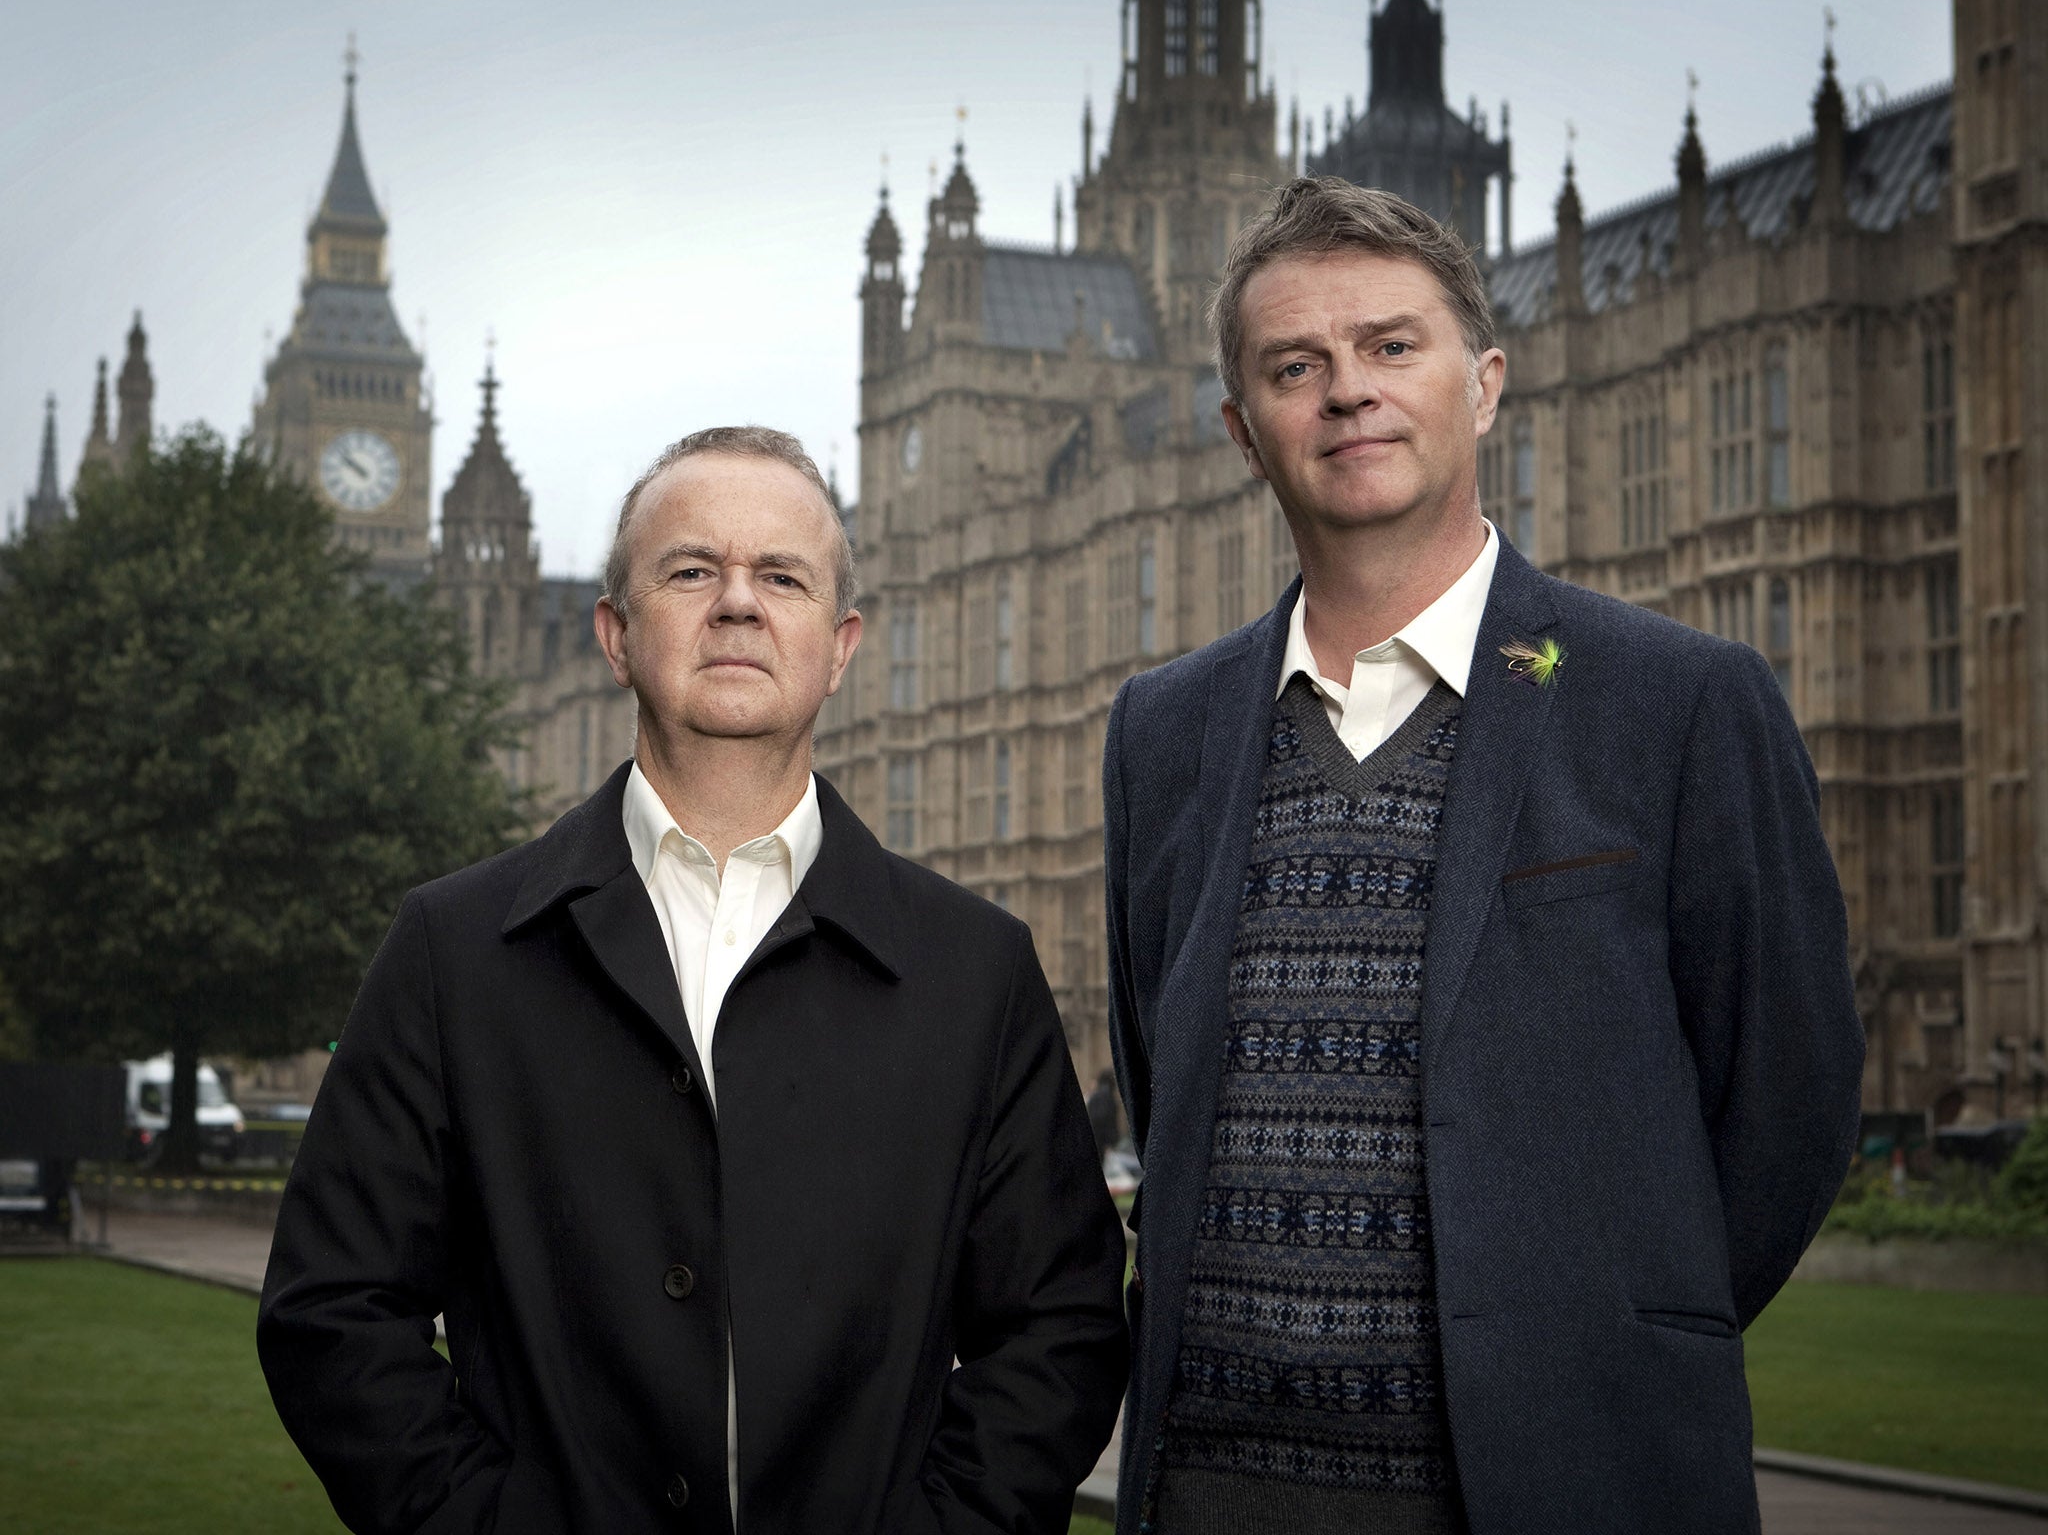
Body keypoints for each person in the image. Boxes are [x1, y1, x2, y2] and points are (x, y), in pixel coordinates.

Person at [1101, 179, 1864, 1535]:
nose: (1349, 390)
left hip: (1553, 1488)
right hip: (1213, 1489)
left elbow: (1790, 1105)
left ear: (1487, 382)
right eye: (1298, 365)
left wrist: (1595, 1340)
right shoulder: (1162, 732)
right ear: (1242, 432)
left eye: (1393, 346)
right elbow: (1163, 1077)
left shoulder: (1671, 701)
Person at [260, 426, 1127, 1535]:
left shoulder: (974, 967)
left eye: (780, 575)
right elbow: (331, 1311)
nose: (736, 603)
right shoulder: (453, 947)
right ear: (615, 637)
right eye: (689, 571)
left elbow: (1056, 1329)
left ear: (840, 643)